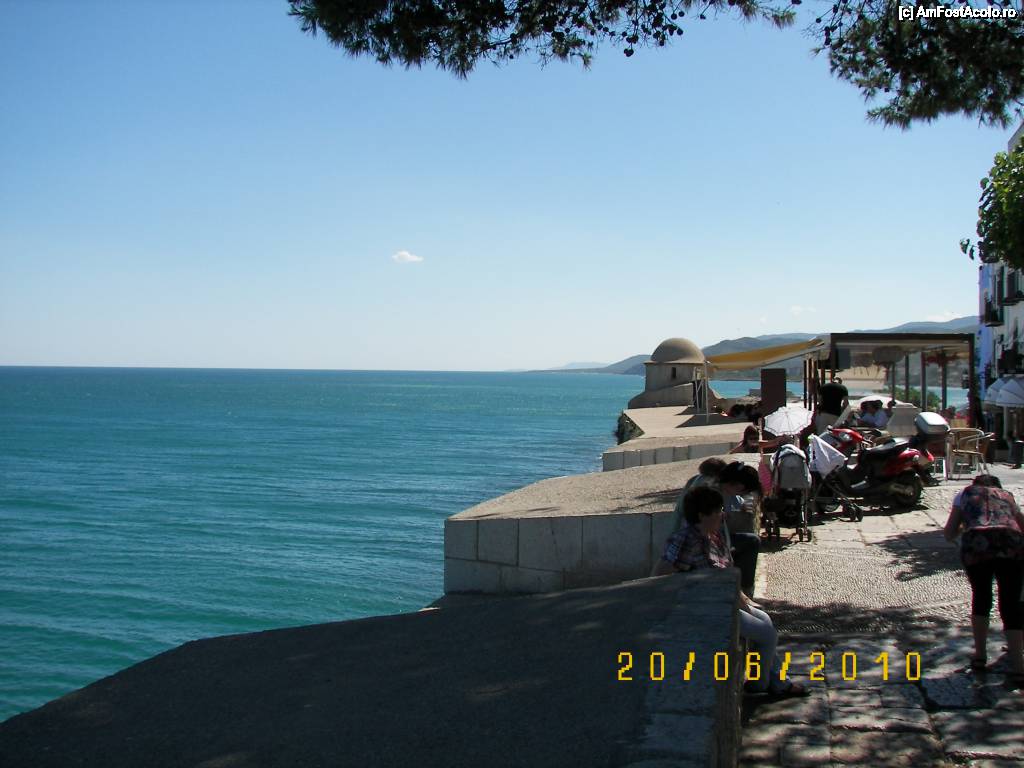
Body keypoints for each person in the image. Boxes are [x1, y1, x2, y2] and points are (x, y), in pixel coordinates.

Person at [653, 486, 807, 697]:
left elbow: (727, 573)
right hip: (707, 608)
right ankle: (765, 684)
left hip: (725, 601)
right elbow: (661, 571)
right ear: (702, 515)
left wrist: (746, 601)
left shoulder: (713, 537)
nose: (722, 515)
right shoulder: (687, 539)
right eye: (718, 511)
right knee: (768, 634)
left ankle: (773, 680)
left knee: (765, 619)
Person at [943, 474, 1024, 683]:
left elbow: (949, 533)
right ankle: (1019, 667)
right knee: (1011, 605)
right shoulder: (1006, 495)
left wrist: (968, 525)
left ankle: (980, 656)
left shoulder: (963, 494)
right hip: (1010, 544)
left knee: (981, 598)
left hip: (977, 546)